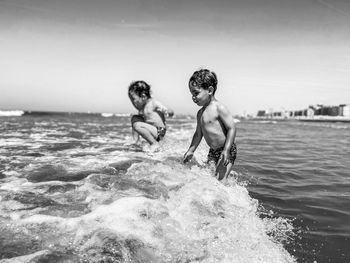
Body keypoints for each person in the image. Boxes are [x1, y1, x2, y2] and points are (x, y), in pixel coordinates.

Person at [183, 69, 237, 181]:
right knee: (208, 179)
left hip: (226, 149)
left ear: (210, 90)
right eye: (191, 93)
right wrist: (191, 150)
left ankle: (227, 194)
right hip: (212, 151)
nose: (193, 97)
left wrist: (226, 150)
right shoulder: (200, 113)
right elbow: (198, 134)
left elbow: (231, 128)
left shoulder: (219, 108)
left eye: (196, 93)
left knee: (219, 181)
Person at [128, 80, 174, 147]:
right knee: (135, 118)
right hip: (152, 131)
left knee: (137, 125)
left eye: (133, 99)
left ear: (143, 96)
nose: (132, 103)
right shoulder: (142, 109)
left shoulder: (153, 103)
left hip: (159, 132)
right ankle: (136, 142)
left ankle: (154, 144)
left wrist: (168, 112)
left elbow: (165, 109)